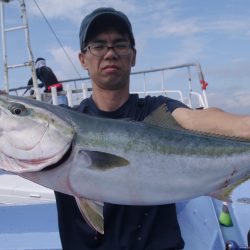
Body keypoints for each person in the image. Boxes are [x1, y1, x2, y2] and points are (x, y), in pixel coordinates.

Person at [54, 7, 250, 250]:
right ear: (83, 59)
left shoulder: (157, 110)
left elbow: (198, 119)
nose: (110, 53)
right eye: (98, 45)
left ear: (133, 55)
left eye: (120, 44)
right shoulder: (67, 122)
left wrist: (245, 126)